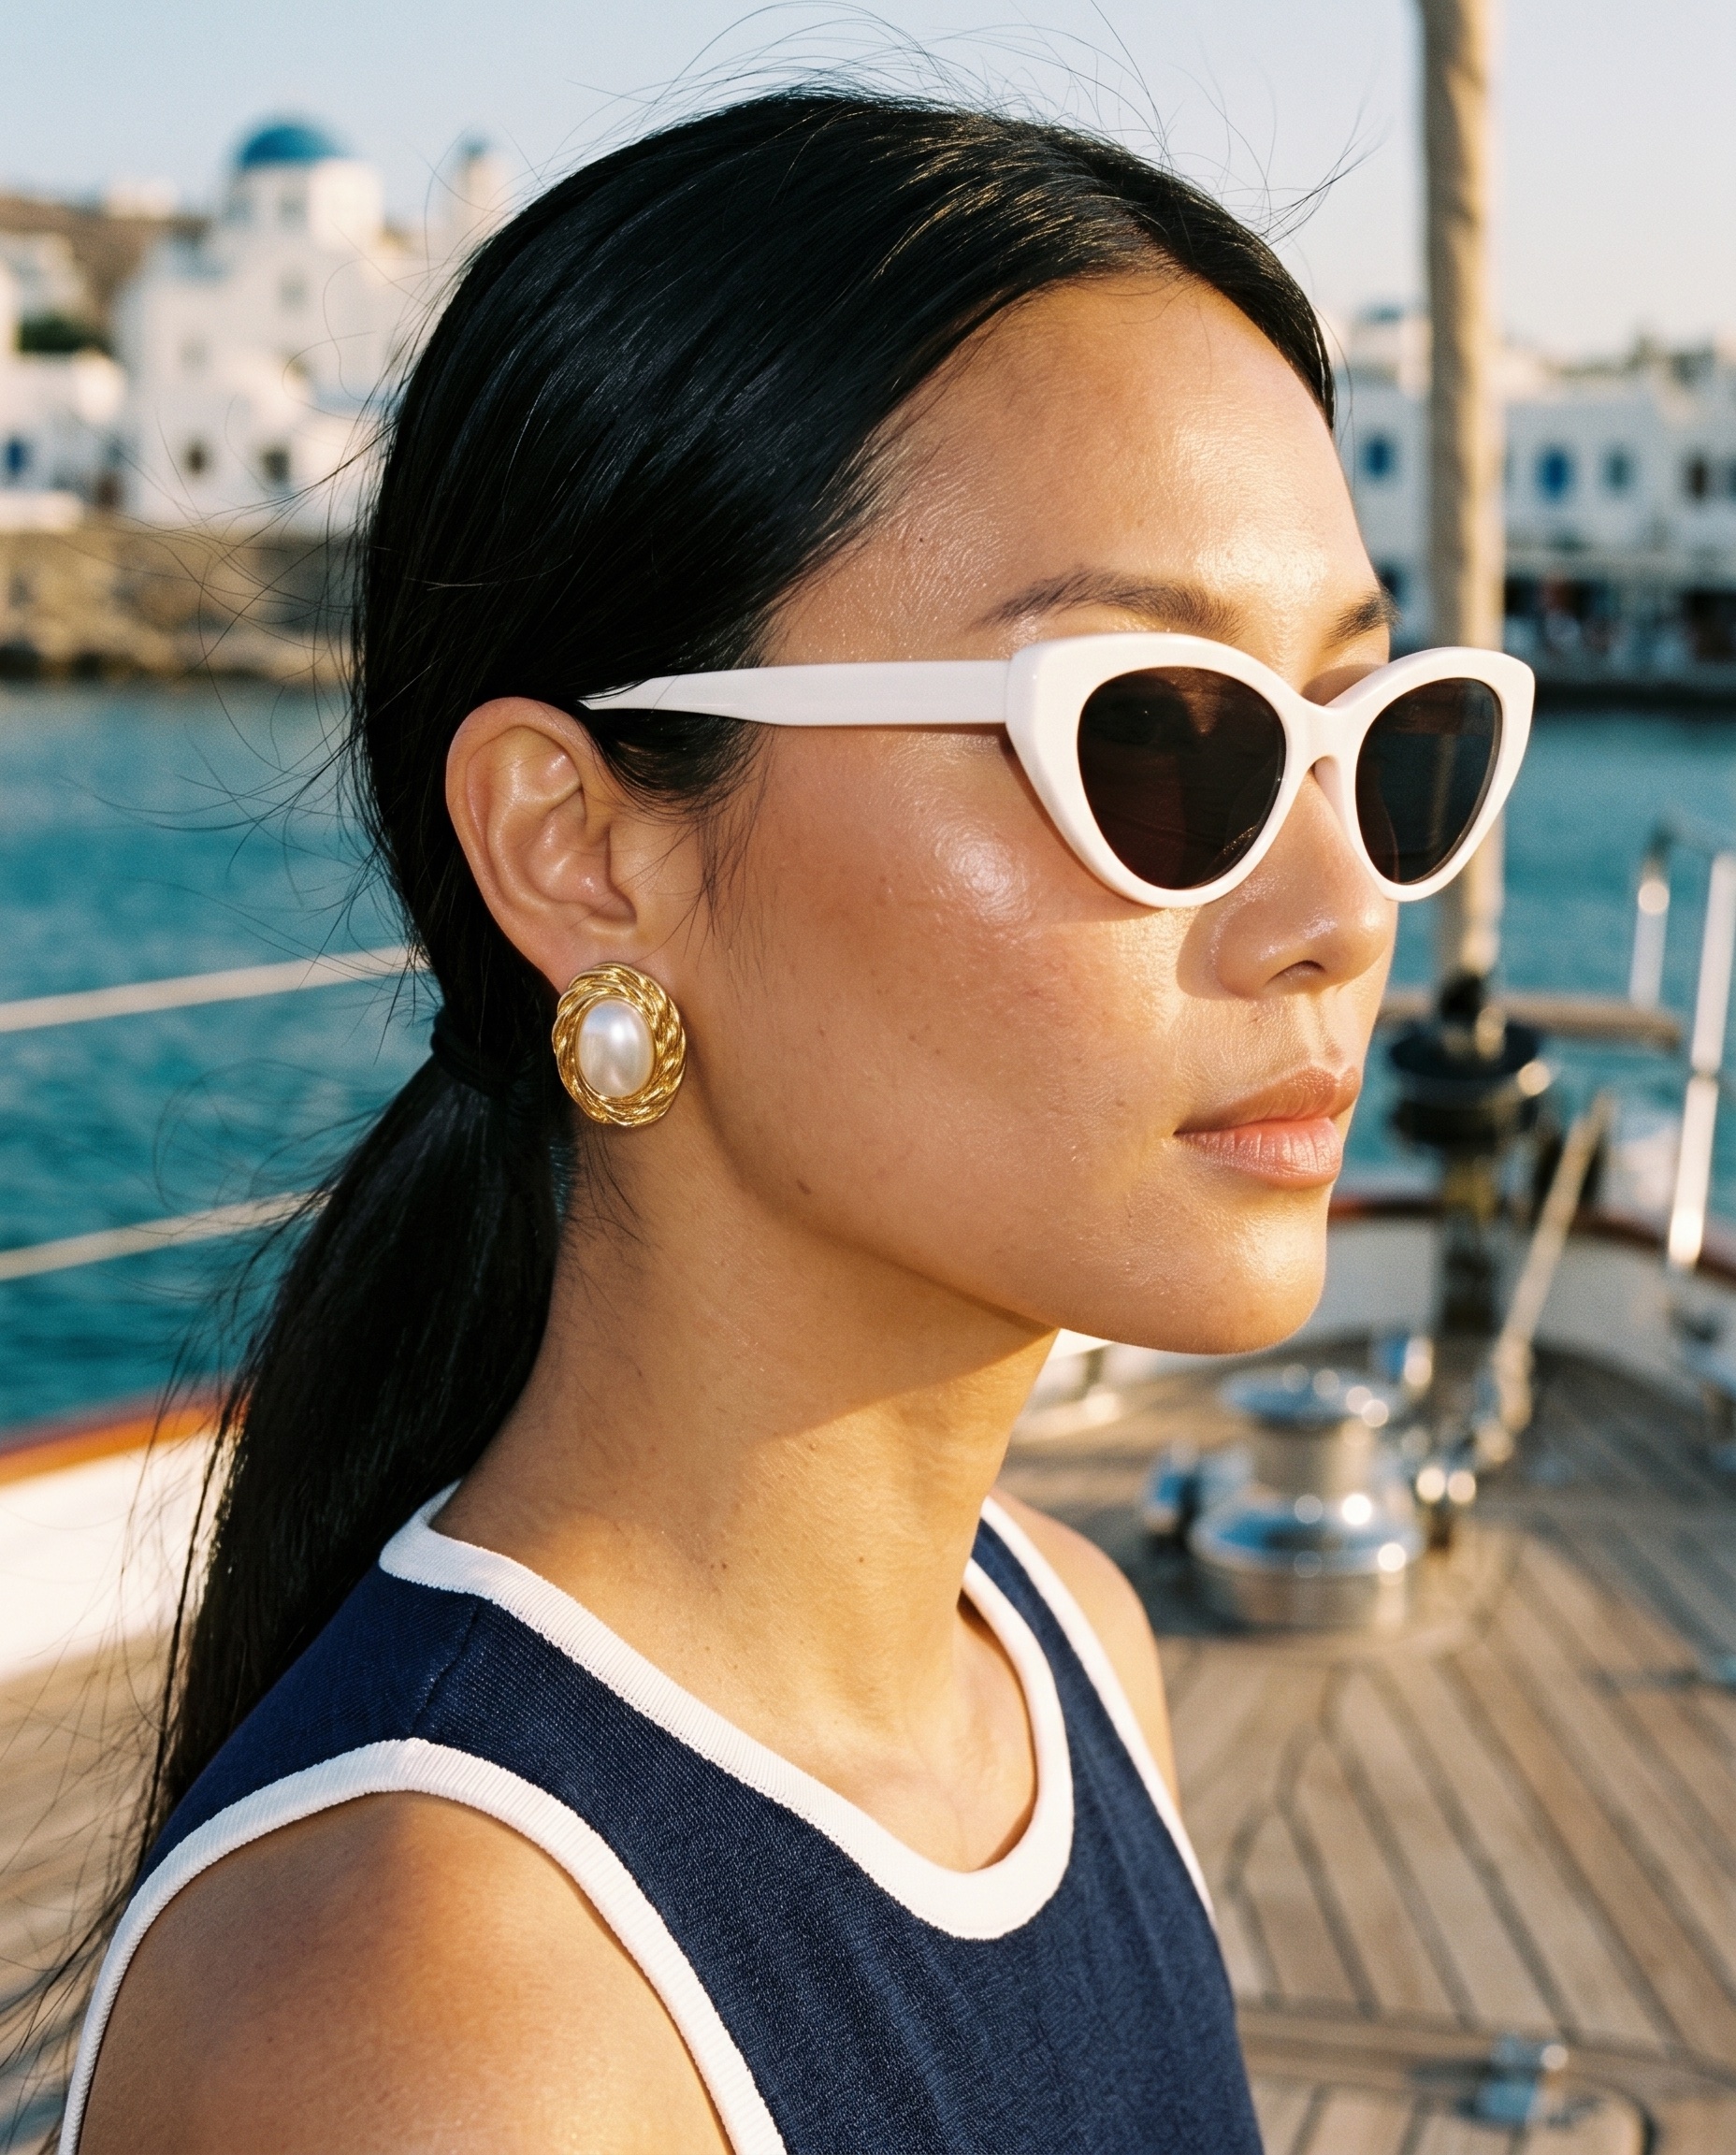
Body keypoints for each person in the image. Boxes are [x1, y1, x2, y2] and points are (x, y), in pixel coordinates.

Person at [65, 90, 1526, 2154]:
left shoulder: (1065, 1652)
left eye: (1384, 740)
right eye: (1156, 742)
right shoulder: (444, 2034)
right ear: (581, 850)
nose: (1344, 915)